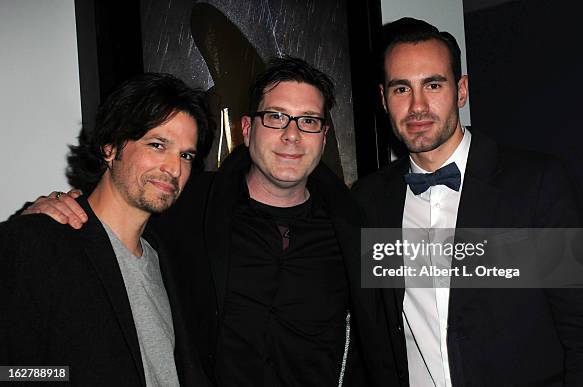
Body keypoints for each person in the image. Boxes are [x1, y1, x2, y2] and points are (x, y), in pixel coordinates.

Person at [16, 57, 381, 386]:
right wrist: (48, 209)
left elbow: (415, 310)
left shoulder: (362, 225)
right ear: (247, 130)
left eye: (309, 121)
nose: (292, 134)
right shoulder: (187, 206)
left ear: (324, 136)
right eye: (275, 116)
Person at [352, 17, 583, 386]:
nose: (418, 106)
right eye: (401, 90)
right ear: (383, 99)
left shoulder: (541, 182)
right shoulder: (368, 202)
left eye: (433, 84)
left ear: (461, 90)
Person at [0, 73, 213, 386]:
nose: (174, 168)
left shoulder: (164, 256)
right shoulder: (39, 241)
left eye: (186, 155)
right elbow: (10, 373)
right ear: (111, 147)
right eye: (157, 145)